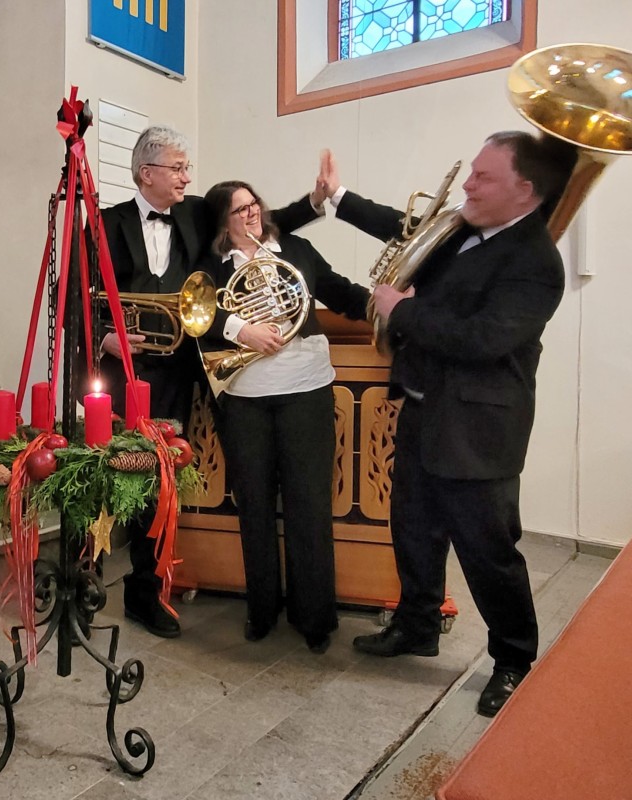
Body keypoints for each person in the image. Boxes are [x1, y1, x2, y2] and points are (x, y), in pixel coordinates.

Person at [337, 132, 577, 716]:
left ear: (524, 190)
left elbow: (484, 340)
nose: (467, 184)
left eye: (483, 177)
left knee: (488, 552)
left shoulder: (536, 263)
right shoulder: (465, 230)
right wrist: (338, 199)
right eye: (471, 172)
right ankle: (417, 626)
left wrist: (403, 309)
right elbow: (405, 229)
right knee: (414, 529)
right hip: (424, 410)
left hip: (479, 431)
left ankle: (514, 659)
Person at [97, 125, 332, 638]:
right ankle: (94, 572)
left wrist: (313, 204)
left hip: (183, 373)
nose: (187, 176)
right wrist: (104, 338)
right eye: (178, 168)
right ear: (147, 173)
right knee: (124, 476)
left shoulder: (194, 210)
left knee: (162, 484)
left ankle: (149, 591)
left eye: (186, 168)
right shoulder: (105, 223)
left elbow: (255, 223)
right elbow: (78, 292)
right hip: (124, 372)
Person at [197, 180, 371, 653]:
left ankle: (315, 616)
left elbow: (338, 290)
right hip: (245, 395)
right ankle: (261, 609)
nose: (250, 214)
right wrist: (241, 329)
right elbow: (195, 312)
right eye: (238, 211)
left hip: (305, 389)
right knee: (252, 504)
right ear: (222, 222)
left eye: (254, 204)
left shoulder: (294, 247)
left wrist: (386, 303)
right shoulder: (212, 266)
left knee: (308, 503)